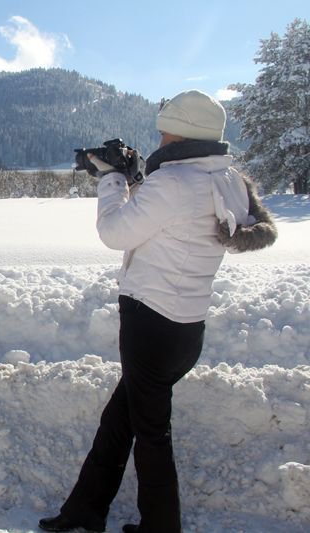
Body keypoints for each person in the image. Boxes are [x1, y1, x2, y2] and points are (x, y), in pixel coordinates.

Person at [39, 90, 277, 532]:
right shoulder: (226, 179)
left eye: (166, 130)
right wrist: (136, 181)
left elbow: (116, 232)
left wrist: (111, 179)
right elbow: (170, 219)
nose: (161, 139)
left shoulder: (174, 182)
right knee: (121, 419)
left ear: (183, 133)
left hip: (151, 323)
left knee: (151, 434)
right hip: (186, 328)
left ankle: (161, 527)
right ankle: (84, 512)